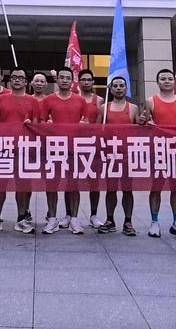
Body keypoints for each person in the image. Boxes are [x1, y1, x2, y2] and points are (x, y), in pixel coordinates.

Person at [0, 66, 40, 234]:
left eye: (21, 78)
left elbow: (37, 125)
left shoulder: (32, 101)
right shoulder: (1, 99)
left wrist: (30, 126)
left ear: (26, 82)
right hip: (3, 146)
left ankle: (21, 218)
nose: (17, 80)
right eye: (14, 77)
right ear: (9, 80)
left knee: (23, 185)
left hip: (24, 148)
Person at [140, 69, 176, 238]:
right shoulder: (151, 101)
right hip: (159, 151)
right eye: (163, 79)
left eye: (170, 78)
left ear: (174, 81)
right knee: (156, 187)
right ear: (158, 82)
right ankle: (154, 222)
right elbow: (146, 124)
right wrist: (144, 123)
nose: (167, 81)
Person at [41, 66, 89, 235]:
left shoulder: (80, 100)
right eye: (62, 77)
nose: (64, 80)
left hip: (74, 149)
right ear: (57, 79)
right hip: (54, 148)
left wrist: (84, 125)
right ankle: (52, 218)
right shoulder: (48, 100)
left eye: (68, 78)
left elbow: (87, 123)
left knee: (73, 184)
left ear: (72, 80)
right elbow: (41, 122)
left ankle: (74, 219)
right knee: (51, 184)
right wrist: (46, 125)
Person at [97, 76, 139, 236]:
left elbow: (139, 130)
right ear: (111, 89)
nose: (119, 88)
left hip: (127, 155)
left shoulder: (133, 108)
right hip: (110, 155)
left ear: (126, 88)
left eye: (122, 86)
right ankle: (110, 220)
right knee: (111, 189)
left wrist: (143, 122)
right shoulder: (104, 108)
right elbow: (97, 130)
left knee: (127, 189)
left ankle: (128, 221)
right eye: (115, 86)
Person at [78, 69, 104, 229]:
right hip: (75, 145)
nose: (86, 82)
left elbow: (101, 124)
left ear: (93, 82)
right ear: (79, 82)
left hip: (94, 145)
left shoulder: (99, 100)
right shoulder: (73, 98)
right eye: (84, 79)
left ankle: (93, 215)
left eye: (89, 80)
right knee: (71, 181)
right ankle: (70, 214)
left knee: (94, 182)